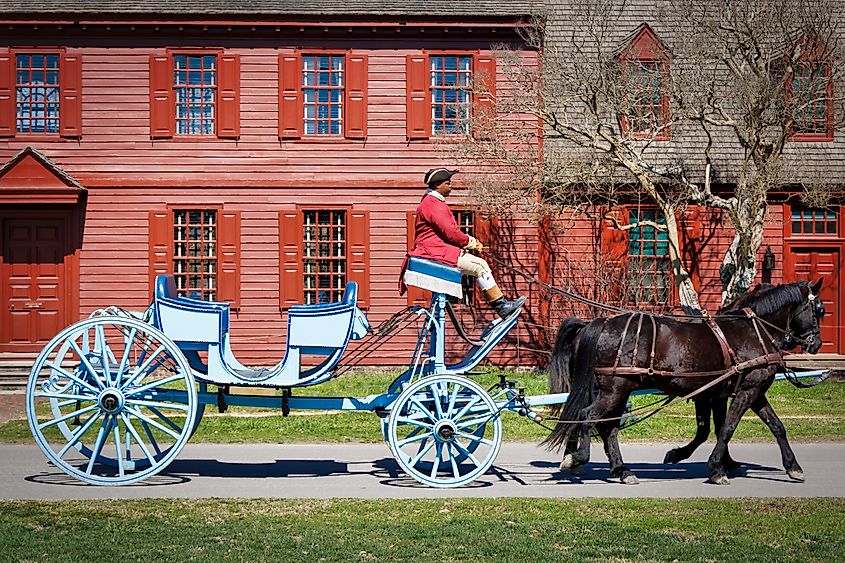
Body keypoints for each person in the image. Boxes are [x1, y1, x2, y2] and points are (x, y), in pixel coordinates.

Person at [402, 167, 525, 319]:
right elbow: (451, 233)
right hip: (434, 252)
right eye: (447, 183)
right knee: (481, 266)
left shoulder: (430, 202)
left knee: (476, 264)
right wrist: (471, 242)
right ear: (436, 186)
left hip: (435, 250)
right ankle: (501, 307)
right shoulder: (434, 204)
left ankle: (500, 305)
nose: (451, 186)